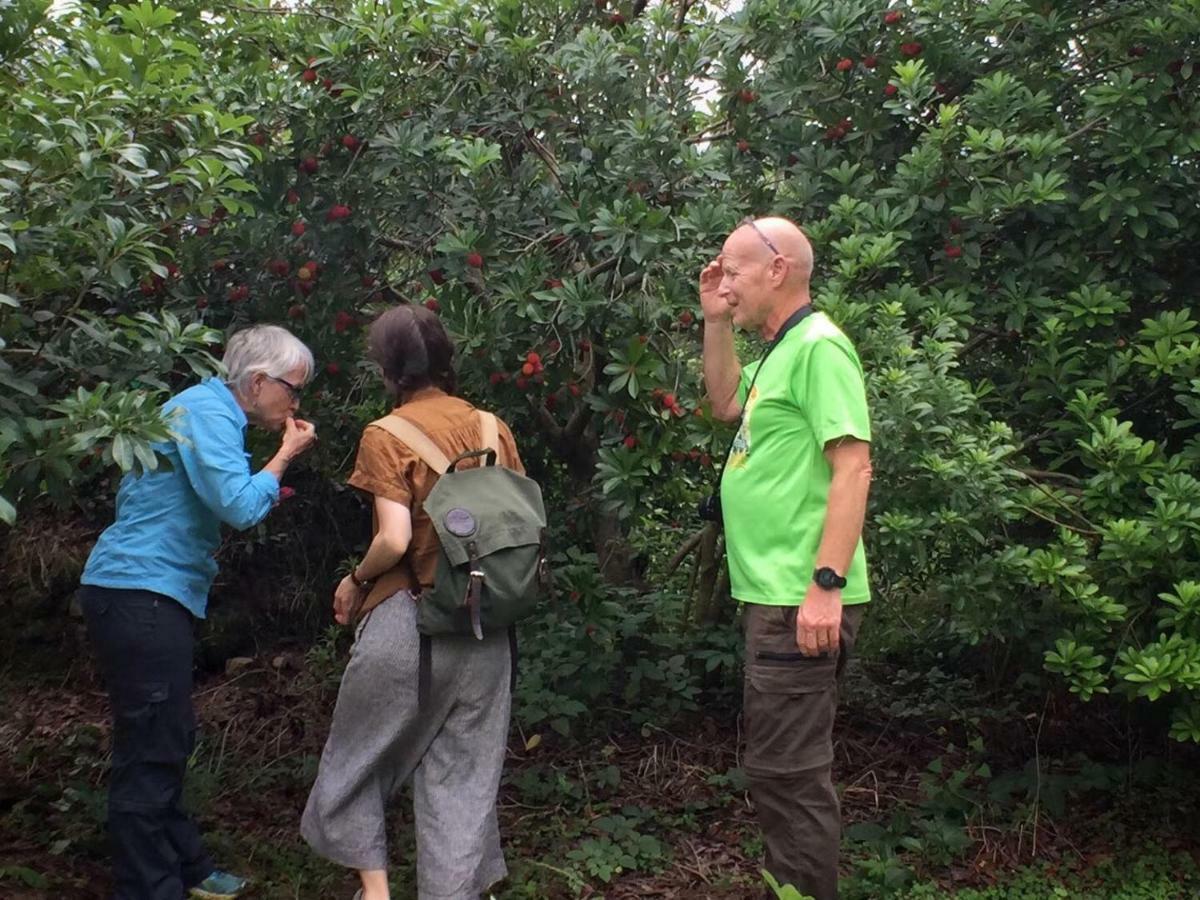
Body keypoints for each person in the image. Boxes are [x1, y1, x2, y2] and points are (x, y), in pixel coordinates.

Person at [78, 324, 318, 900]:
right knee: (152, 745)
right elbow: (237, 506)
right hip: (140, 591)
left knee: (169, 733)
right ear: (259, 382)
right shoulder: (205, 412)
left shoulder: (204, 410)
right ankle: (149, 887)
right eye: (293, 389)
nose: (295, 403)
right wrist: (284, 456)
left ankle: (187, 868)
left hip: (147, 591)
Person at [302, 305, 526, 900]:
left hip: (409, 625)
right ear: (447, 358)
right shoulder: (490, 428)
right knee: (463, 780)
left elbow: (395, 540)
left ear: (387, 368)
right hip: (487, 630)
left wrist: (354, 579)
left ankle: (374, 892)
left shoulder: (387, 433)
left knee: (357, 759)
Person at [700, 217, 873, 900]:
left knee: (789, 778)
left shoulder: (821, 347)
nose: (724, 281)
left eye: (732, 270)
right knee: (781, 774)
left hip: (799, 598)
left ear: (778, 270)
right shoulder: (781, 352)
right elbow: (723, 403)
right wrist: (715, 321)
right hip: (775, 598)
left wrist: (825, 585)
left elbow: (853, 467)